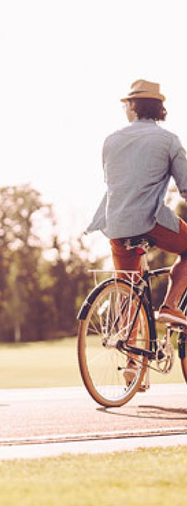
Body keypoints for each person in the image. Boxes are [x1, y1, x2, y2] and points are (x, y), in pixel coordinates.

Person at [87, 79, 187, 325]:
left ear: (133, 106)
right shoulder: (169, 140)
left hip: (116, 223)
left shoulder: (111, 140)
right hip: (150, 221)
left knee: (127, 287)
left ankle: (132, 361)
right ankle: (171, 305)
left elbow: (113, 180)